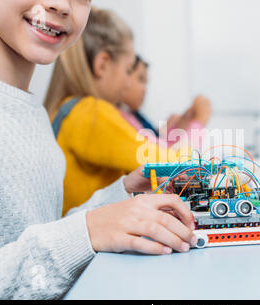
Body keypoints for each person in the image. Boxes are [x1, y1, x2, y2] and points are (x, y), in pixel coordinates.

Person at [0, 1, 196, 300]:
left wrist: (120, 196)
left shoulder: (30, 110)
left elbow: (36, 234)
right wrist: (84, 232)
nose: (61, 5)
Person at [44, 9, 189, 214]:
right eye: (128, 70)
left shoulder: (65, 110)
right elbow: (169, 162)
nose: (128, 83)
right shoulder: (90, 113)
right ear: (102, 65)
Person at [118, 55, 212, 148]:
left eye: (146, 82)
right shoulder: (124, 120)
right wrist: (198, 123)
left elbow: (160, 147)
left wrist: (177, 127)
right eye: (141, 79)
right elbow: (161, 157)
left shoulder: (133, 116)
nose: (145, 89)